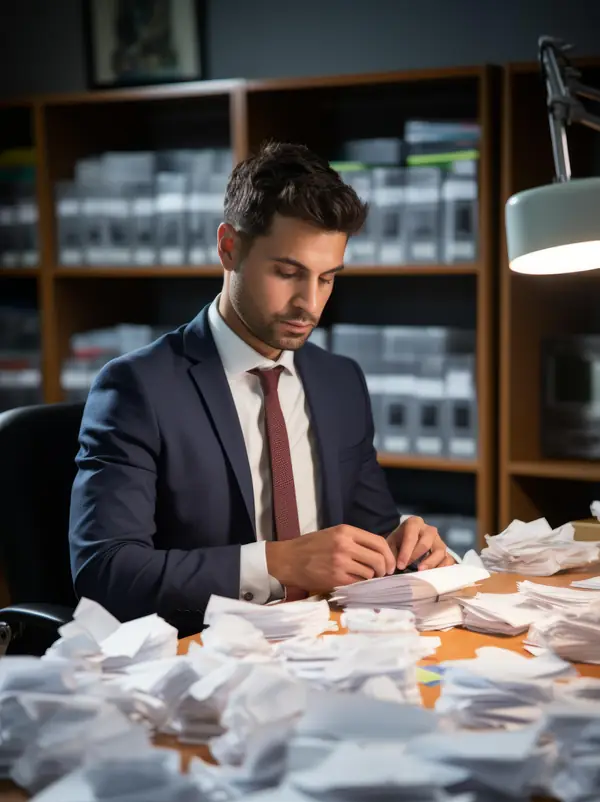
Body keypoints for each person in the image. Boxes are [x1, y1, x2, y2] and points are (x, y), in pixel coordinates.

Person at [69, 141, 455, 636]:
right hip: (201, 658)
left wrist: (405, 546)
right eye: (287, 273)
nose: (310, 305)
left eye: (327, 279)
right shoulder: (137, 388)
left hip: (330, 649)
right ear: (229, 248)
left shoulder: (341, 382)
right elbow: (106, 573)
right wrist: (277, 563)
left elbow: (370, 533)